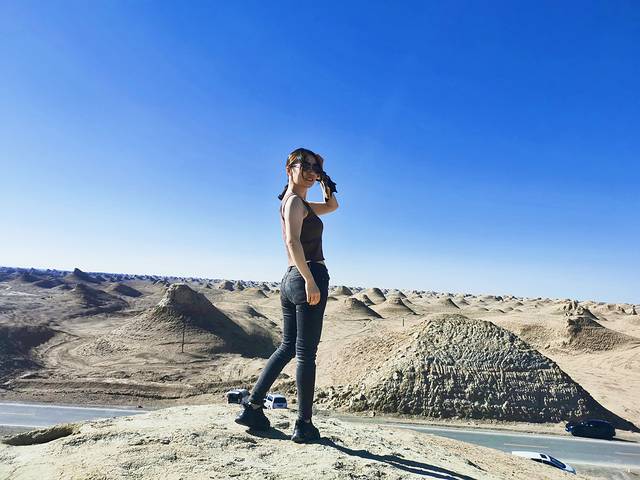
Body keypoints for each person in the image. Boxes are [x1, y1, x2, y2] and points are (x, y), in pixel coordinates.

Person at [235, 147, 339, 443]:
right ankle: (304, 425)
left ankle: (253, 407)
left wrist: (324, 179)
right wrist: (310, 281)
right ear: (288, 169)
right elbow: (293, 242)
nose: (310, 172)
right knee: (306, 353)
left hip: (291, 279)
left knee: (288, 347)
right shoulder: (294, 202)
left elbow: (332, 206)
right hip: (307, 275)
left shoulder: (300, 203)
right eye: (304, 166)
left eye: (314, 168)